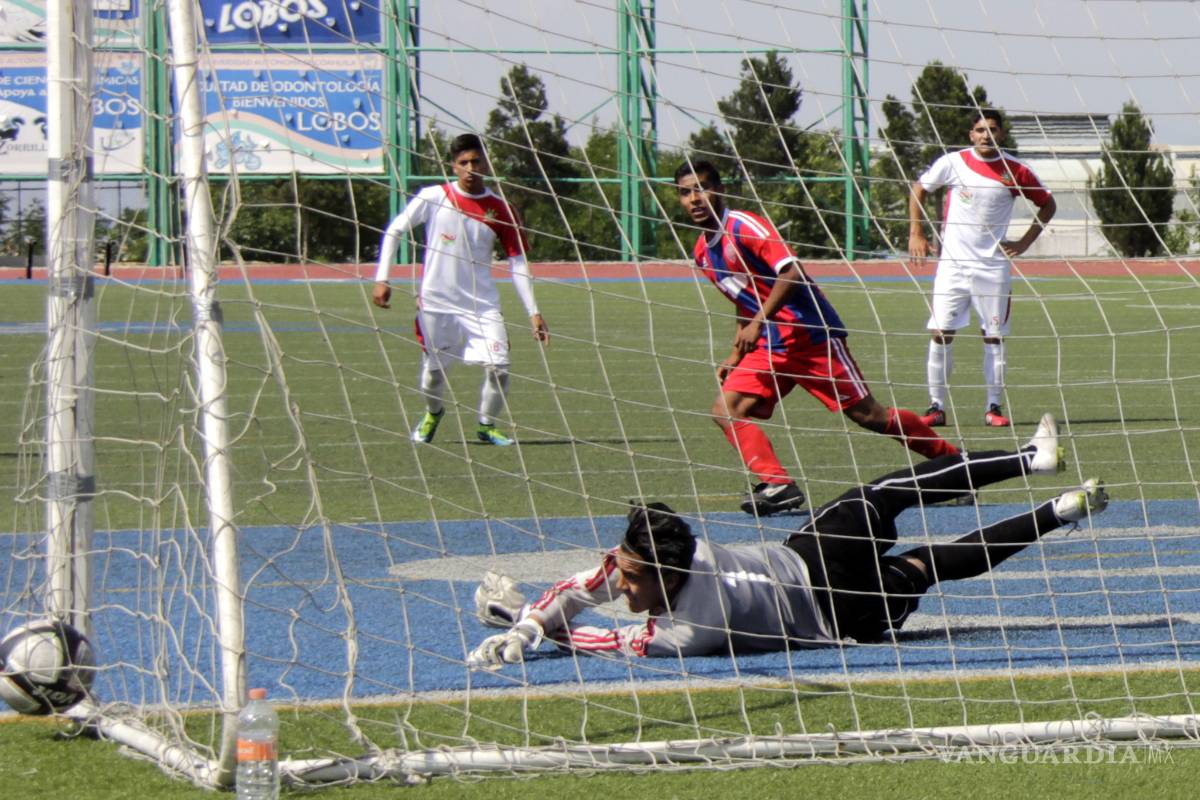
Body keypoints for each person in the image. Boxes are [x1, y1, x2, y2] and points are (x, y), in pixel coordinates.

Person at [467, 414, 1107, 668]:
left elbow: (589, 629)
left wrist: (528, 625)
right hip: (825, 583)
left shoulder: (682, 635)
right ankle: (1043, 480)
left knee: (921, 554)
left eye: (631, 578)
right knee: (899, 512)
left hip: (831, 602)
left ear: (666, 574)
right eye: (624, 574)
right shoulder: (680, 561)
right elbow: (591, 592)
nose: (619, 583)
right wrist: (529, 624)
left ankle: (1050, 495)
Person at [674, 159, 959, 518]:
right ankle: (778, 485)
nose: (694, 199)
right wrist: (735, 353)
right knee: (726, 409)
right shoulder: (703, 252)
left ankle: (955, 466)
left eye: (701, 188)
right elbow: (745, 299)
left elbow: (791, 272)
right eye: (685, 193)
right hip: (772, 346)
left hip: (812, 337)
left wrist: (759, 322)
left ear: (719, 189)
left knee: (871, 416)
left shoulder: (744, 226)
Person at [374, 133, 550, 447]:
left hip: (482, 305)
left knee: (500, 368)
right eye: (463, 162)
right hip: (436, 304)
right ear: (453, 166)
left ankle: (487, 425)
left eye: (476, 161)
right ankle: (433, 412)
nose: (470, 168)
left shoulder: (501, 209)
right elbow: (395, 230)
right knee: (433, 374)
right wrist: (382, 278)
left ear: (486, 163)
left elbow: (518, 262)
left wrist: (533, 312)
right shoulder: (434, 196)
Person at [908, 109, 1057, 428]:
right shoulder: (953, 162)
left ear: (1001, 134)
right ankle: (936, 406)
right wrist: (916, 233)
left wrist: (1025, 242)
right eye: (979, 130)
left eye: (992, 129)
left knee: (993, 337)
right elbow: (919, 188)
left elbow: (1048, 203)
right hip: (952, 266)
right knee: (941, 333)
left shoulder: (1016, 170)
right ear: (971, 134)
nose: (985, 135)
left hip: (992, 268)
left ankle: (993, 407)